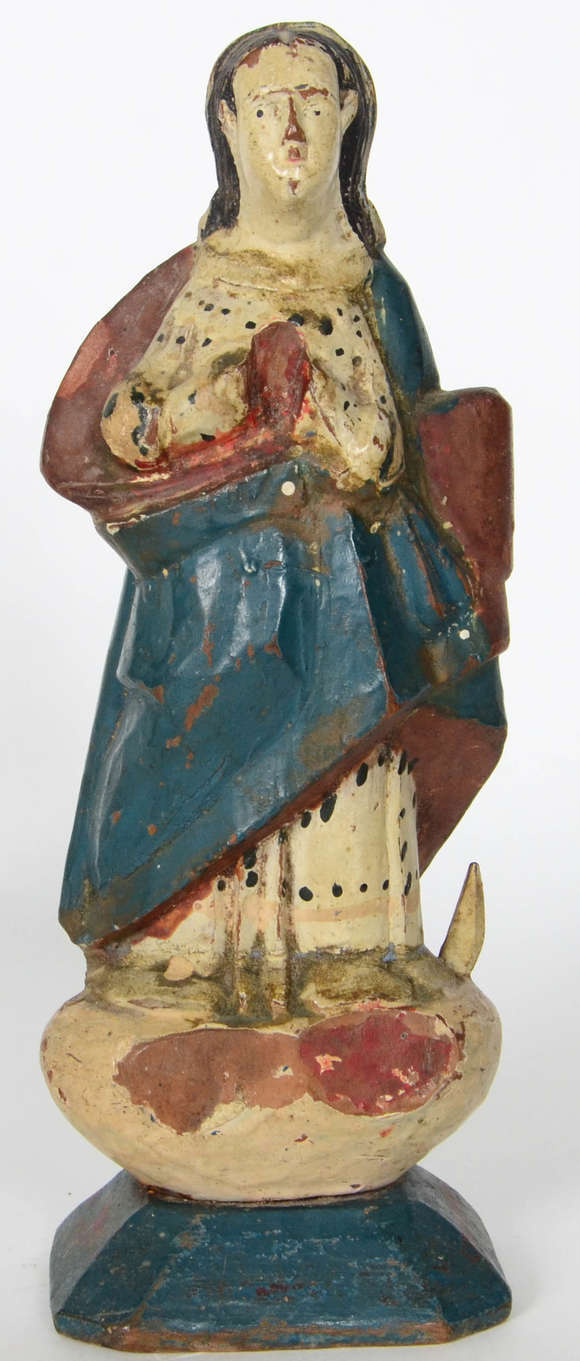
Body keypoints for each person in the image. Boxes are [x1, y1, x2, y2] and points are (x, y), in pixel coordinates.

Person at [42, 23, 510, 1015]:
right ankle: (176, 969)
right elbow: (112, 429)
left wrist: (347, 435)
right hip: (209, 628)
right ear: (227, 124)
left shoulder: (373, 291)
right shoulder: (194, 286)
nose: (289, 128)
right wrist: (199, 409)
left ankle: (357, 971)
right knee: (193, 823)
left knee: (342, 815)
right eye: (265, 106)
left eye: (313, 101)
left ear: (350, 115)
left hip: (351, 639)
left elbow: (413, 461)